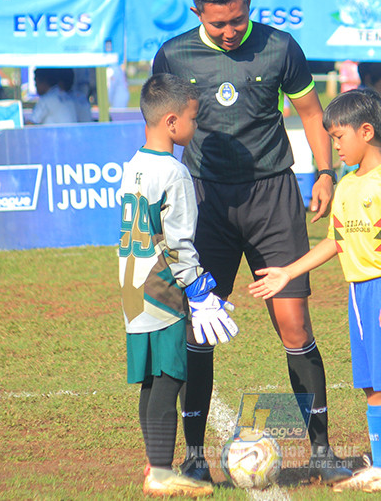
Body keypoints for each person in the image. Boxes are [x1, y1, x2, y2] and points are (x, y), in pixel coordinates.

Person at [151, 0, 351, 483]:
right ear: (198, 13)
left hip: (272, 198)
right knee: (198, 326)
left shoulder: (280, 47)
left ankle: (323, 453)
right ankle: (194, 456)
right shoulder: (174, 54)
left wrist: (324, 173)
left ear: (248, 3)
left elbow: (311, 113)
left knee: (295, 324)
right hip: (202, 203)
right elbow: (158, 127)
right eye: (218, 23)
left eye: (238, 19)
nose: (230, 31)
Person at [249, 89, 381, 492]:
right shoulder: (347, 185)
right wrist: (287, 273)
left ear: (366, 131)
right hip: (359, 293)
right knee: (371, 383)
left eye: (338, 137)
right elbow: (336, 241)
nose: (335, 146)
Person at [119, 73, 238, 497]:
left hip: (133, 288)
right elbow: (179, 243)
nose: (196, 125)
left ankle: (155, 468)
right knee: (169, 377)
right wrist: (201, 290)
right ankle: (163, 473)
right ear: (171, 122)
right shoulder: (175, 173)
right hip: (163, 288)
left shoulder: (134, 165)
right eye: (193, 117)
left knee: (152, 380)